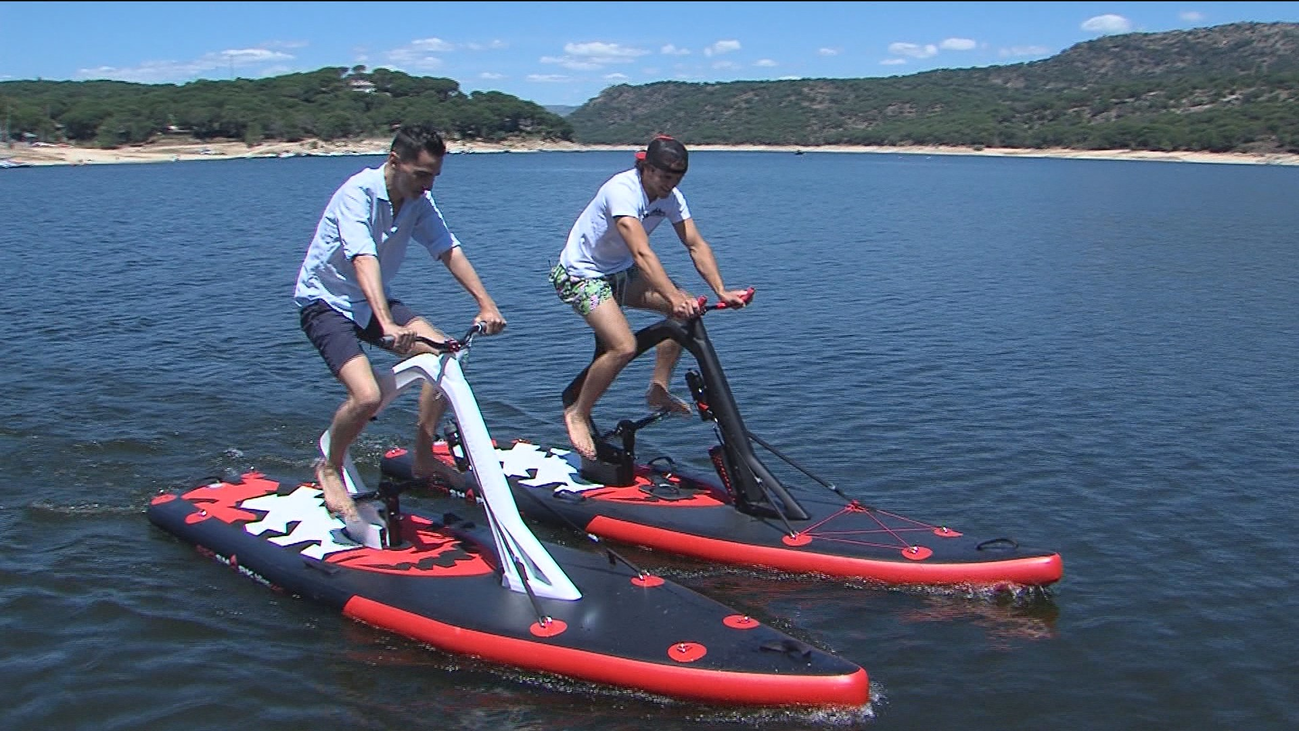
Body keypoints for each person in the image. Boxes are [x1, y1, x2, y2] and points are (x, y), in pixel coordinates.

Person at [294, 123, 506, 527]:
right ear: (395, 161)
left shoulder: (418, 199)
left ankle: (423, 457)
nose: (428, 185)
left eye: (434, 176)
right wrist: (387, 322)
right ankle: (329, 466)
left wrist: (486, 304)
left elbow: (448, 249)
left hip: (372, 299)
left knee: (449, 356)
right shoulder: (356, 195)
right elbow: (363, 259)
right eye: (421, 174)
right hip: (326, 302)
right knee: (367, 396)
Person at [550, 135, 749, 460]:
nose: (670, 185)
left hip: (620, 273)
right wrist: (672, 296)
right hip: (581, 276)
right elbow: (641, 253)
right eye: (665, 177)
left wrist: (721, 290)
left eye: (677, 178)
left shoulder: (671, 197)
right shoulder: (622, 191)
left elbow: (695, 244)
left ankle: (658, 390)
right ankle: (577, 413)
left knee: (686, 312)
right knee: (623, 346)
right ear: (647, 168)